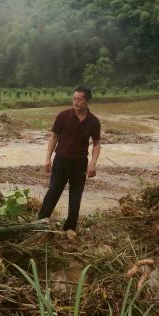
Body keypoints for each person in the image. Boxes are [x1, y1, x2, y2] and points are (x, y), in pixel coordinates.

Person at [37, 86, 101, 233]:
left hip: (80, 164)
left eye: (80, 99)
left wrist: (93, 163)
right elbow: (54, 137)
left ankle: (70, 228)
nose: (76, 102)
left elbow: (97, 143)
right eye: (74, 99)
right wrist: (48, 158)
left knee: (76, 195)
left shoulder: (93, 121)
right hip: (61, 161)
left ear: (87, 101)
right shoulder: (63, 116)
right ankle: (40, 222)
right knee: (53, 191)